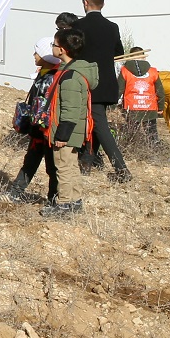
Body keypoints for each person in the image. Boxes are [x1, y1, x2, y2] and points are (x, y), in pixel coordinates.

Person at [73, 0, 129, 181]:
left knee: (99, 125)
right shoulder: (112, 27)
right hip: (107, 84)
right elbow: (119, 52)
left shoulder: (78, 25)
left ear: (85, 3)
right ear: (102, 5)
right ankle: (87, 161)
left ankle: (122, 169)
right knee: (96, 123)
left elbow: (73, 52)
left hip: (87, 81)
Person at [42, 27, 97, 218]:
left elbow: (71, 110)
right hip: (73, 130)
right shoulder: (72, 71)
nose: (53, 48)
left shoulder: (71, 77)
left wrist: (62, 134)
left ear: (62, 50)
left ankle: (64, 205)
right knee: (72, 165)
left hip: (66, 130)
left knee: (63, 166)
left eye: (54, 45)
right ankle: (75, 201)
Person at [4, 38, 64, 203]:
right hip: (37, 128)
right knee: (30, 161)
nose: (34, 55)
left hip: (48, 129)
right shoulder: (43, 72)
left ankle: (53, 200)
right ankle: (15, 193)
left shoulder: (56, 75)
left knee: (52, 167)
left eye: (37, 52)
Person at [118, 48, 164, 142]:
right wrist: (160, 107)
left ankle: (133, 152)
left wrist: (112, 104)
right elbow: (160, 91)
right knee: (152, 134)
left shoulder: (125, 70)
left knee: (133, 134)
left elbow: (119, 90)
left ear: (130, 57)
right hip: (150, 106)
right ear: (144, 57)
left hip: (131, 107)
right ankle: (154, 153)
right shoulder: (153, 71)